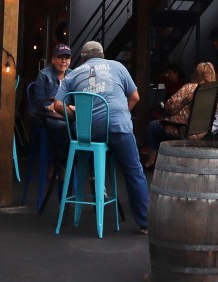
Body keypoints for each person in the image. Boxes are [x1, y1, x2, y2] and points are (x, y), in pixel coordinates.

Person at [52, 40, 149, 234]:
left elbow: (57, 105)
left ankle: (93, 179)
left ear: (83, 58)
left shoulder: (74, 75)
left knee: (88, 150)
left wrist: (77, 115)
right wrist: (122, 113)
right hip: (118, 127)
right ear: (103, 55)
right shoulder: (118, 67)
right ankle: (144, 222)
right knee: (134, 170)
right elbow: (135, 97)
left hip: (90, 132)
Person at [146, 61, 216, 163]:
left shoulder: (190, 88)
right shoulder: (213, 91)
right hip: (202, 131)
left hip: (183, 129)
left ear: (197, 74)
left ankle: (151, 161)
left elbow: (170, 106)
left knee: (152, 126)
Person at [29, 43, 73, 161]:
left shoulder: (72, 75)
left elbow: (74, 98)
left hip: (63, 113)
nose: (63, 61)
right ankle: (57, 163)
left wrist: (68, 107)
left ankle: (69, 165)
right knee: (64, 127)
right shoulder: (44, 74)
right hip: (43, 114)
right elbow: (39, 101)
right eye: (60, 57)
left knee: (77, 127)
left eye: (67, 58)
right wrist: (53, 107)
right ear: (53, 59)